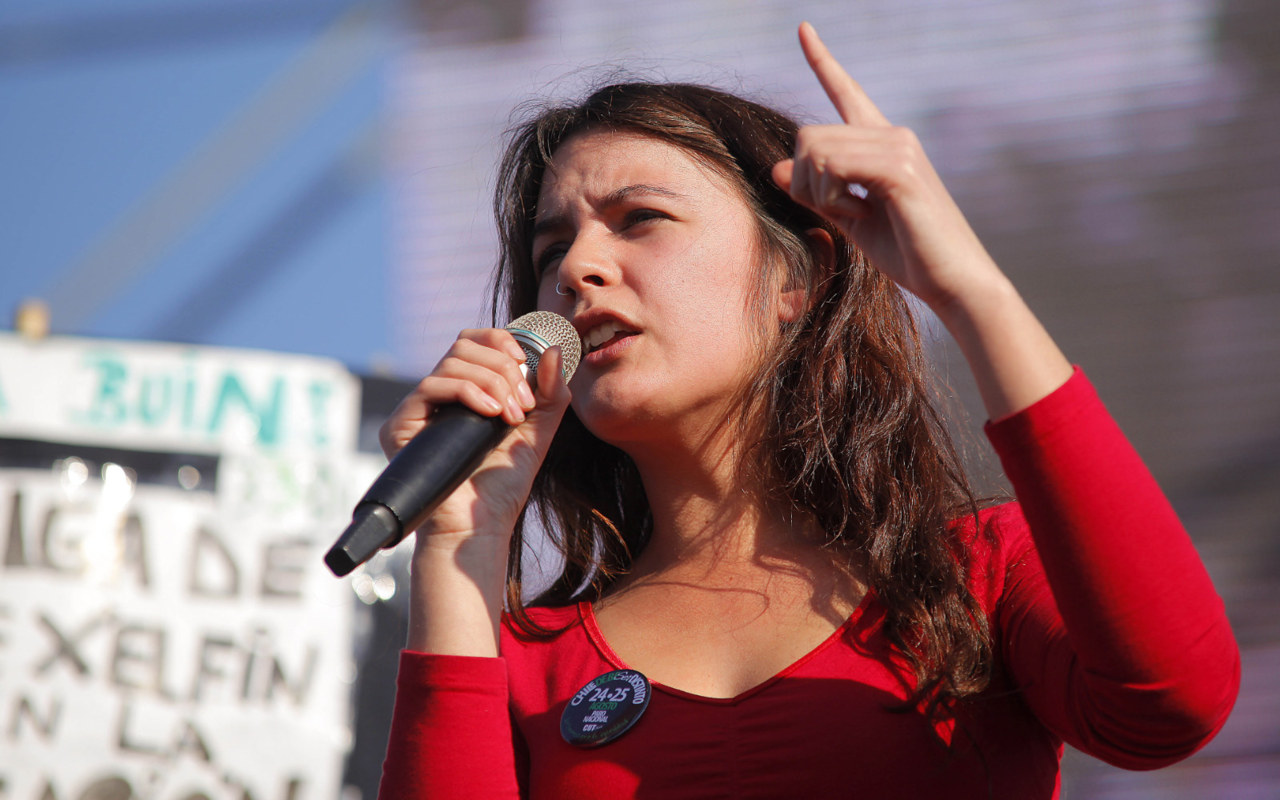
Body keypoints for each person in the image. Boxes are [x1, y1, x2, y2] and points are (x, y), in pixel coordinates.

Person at [375, 22, 1239, 799]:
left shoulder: (974, 579)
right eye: (552, 248)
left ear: (800, 277)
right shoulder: (519, 661)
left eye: (640, 218)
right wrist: (459, 541)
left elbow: (1169, 705)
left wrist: (967, 288)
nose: (575, 270)